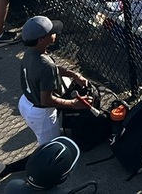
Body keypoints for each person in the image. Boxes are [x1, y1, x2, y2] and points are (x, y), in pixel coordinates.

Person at [17, 16, 90, 145]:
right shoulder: (46, 66)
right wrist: (73, 103)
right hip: (41, 113)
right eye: (51, 32)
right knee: (51, 148)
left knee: (46, 135)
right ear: (41, 40)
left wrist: (74, 75)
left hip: (25, 102)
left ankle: (51, 133)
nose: (55, 33)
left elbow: (53, 68)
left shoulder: (31, 52)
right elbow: (46, 100)